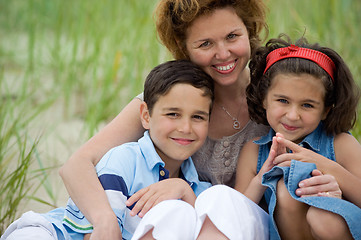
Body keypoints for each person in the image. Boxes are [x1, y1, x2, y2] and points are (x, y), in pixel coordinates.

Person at [58, 1, 343, 239]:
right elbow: (77, 165)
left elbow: (332, 148)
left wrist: (333, 182)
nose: (223, 54)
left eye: (232, 36)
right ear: (185, 50)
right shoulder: (169, 100)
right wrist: (104, 220)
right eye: (205, 43)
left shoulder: (280, 96)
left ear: (249, 31)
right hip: (187, 224)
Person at [1, 60, 214, 240]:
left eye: (198, 117)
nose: (185, 128)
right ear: (146, 116)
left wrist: (184, 190)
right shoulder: (124, 160)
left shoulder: (199, 189)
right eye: (173, 114)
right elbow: (98, 234)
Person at [235, 34, 361, 240]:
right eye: (283, 100)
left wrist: (324, 165)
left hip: (335, 229)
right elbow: (239, 213)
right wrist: (261, 178)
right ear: (264, 99)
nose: (293, 115)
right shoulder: (255, 150)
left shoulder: (341, 144)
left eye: (307, 105)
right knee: (285, 190)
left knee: (323, 216)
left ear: (326, 111)